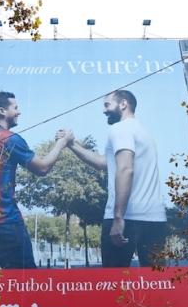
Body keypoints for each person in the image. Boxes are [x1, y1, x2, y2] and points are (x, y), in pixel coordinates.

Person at [0, 91, 67, 269]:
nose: (19, 112)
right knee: (26, 284)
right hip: (5, 224)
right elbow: (42, 168)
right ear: (2, 111)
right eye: (15, 108)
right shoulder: (10, 139)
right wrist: (61, 144)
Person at [63, 90, 167, 268]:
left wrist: (118, 218)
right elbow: (105, 163)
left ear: (123, 104)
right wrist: (72, 144)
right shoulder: (143, 132)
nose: (104, 110)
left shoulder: (120, 129)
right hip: (155, 220)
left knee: (114, 287)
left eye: (107, 105)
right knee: (156, 286)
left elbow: (125, 169)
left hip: (125, 220)